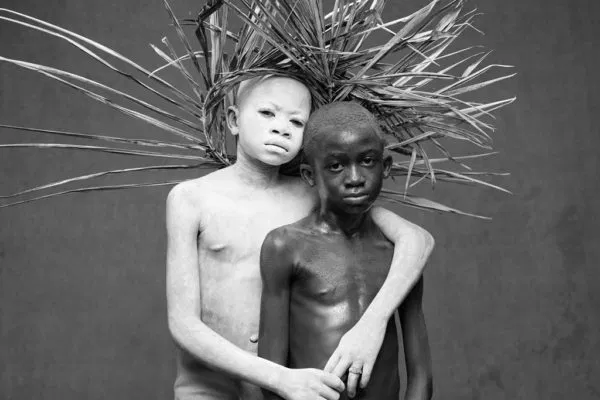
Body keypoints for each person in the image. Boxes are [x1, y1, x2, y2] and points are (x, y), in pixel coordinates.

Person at [166, 76, 434, 400]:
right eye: (267, 113)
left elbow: (417, 240)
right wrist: (277, 377)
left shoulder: (314, 192)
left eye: (296, 121)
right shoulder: (191, 198)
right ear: (234, 120)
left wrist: (372, 323)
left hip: (291, 386)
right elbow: (183, 324)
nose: (281, 128)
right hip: (213, 385)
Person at [258, 102, 433, 400]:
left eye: (367, 161)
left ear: (385, 166)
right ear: (310, 175)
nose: (354, 178)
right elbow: (271, 374)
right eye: (336, 166)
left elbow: (420, 376)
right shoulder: (285, 246)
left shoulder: (400, 258)